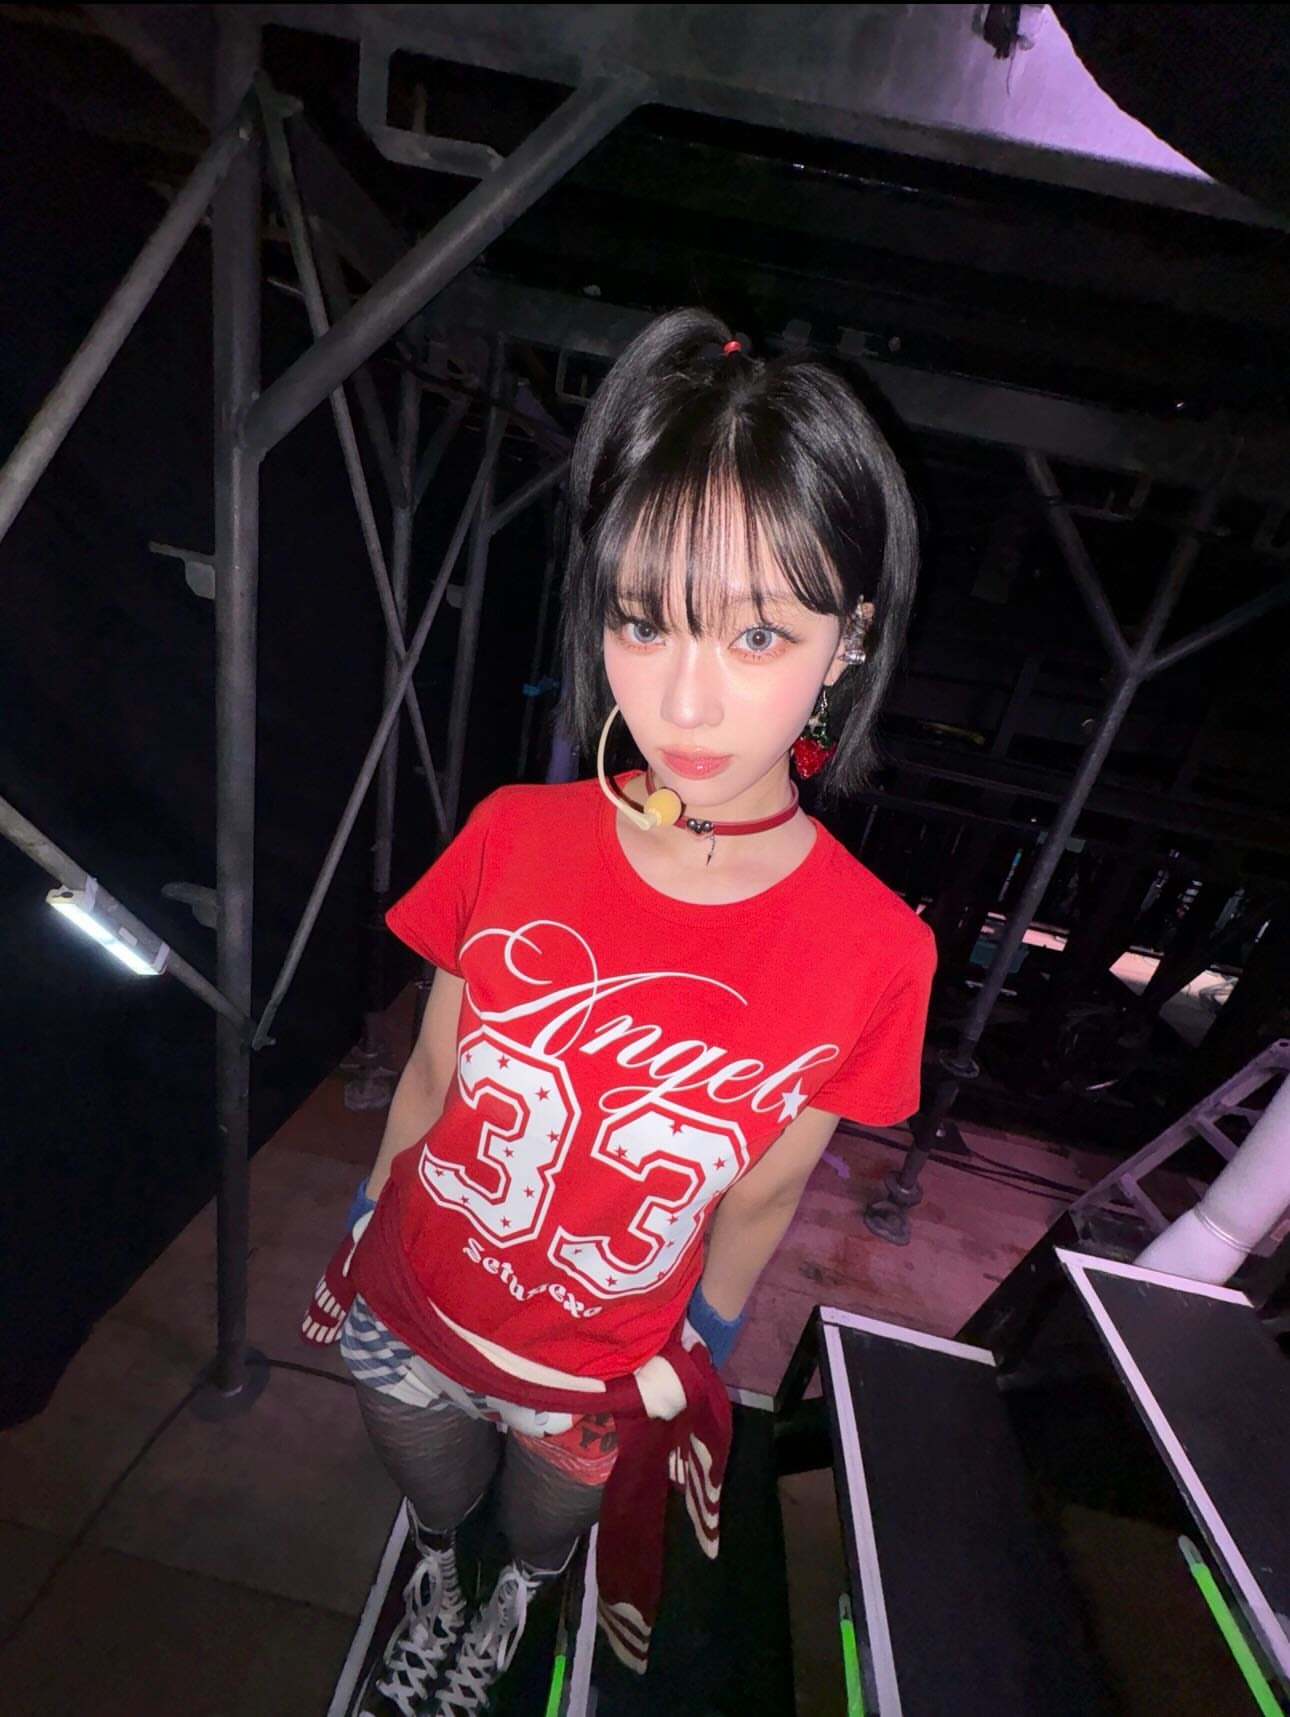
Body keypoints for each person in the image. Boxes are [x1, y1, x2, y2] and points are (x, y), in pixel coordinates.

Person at [302, 307, 935, 1717]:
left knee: (542, 1537)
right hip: (407, 1291)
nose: (683, 699)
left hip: (601, 1365)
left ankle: (513, 1596)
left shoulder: (875, 951)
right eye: (643, 620)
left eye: (757, 631)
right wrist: (362, 1217)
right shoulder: (512, 833)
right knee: (432, 1497)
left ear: (848, 640)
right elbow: (434, 1071)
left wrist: (700, 1345)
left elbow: (763, 1192)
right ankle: (441, 1575)